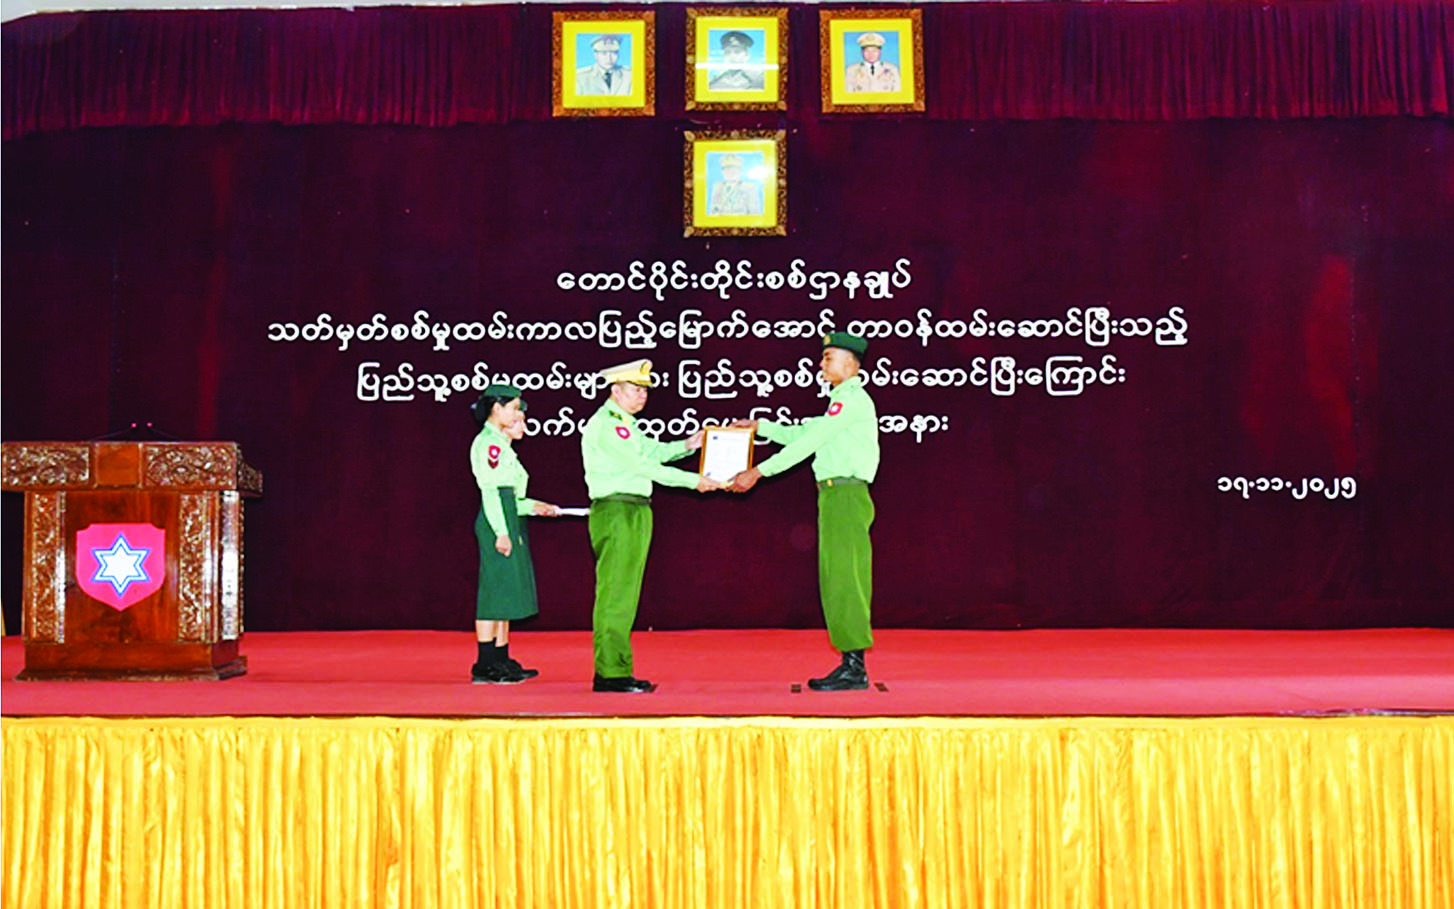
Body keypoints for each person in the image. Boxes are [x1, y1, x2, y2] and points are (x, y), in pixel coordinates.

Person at [727, 333, 879, 690]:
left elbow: (808, 443)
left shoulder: (851, 400)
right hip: (837, 496)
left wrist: (757, 472)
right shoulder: (841, 402)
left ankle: (854, 668)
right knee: (838, 576)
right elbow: (805, 431)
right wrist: (760, 427)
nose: (821, 364)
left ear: (850, 363)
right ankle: (851, 663)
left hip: (844, 496)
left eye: (829, 357)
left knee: (844, 577)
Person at [581, 358, 721, 692]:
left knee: (626, 592)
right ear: (615, 391)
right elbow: (643, 466)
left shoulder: (625, 423)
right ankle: (610, 673)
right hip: (617, 511)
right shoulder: (607, 425)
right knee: (616, 593)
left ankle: (616, 668)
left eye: (645, 390)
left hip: (634, 510)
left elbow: (652, 452)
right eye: (635, 389)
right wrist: (694, 481)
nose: (642, 395)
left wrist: (688, 445)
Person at [468, 384, 561, 683]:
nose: (518, 415)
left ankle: (500, 656)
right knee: (493, 592)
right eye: (514, 408)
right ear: (497, 408)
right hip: (497, 519)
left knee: (506, 591)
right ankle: (485, 663)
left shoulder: (501, 445)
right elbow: (491, 492)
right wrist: (501, 532)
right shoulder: (489, 444)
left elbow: (512, 497)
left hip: (508, 516)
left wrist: (536, 507)